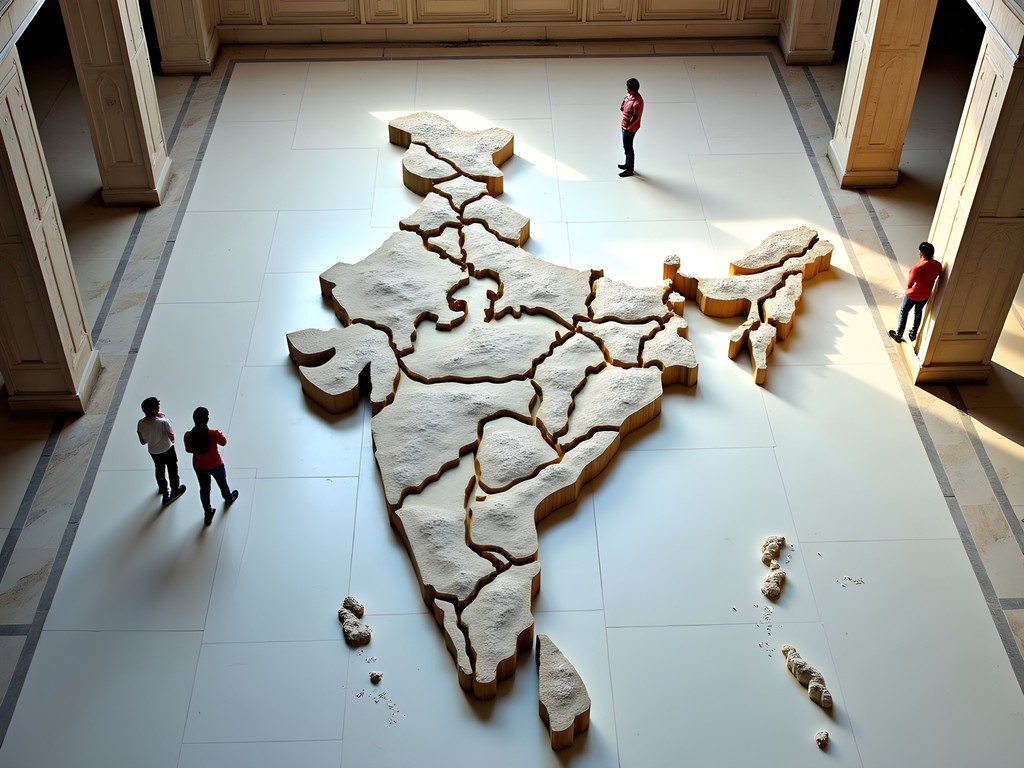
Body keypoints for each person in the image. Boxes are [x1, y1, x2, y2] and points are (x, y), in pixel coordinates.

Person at [184, 406, 238, 526]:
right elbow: (224, 442)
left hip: (199, 466)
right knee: (222, 482)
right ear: (207, 419)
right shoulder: (213, 434)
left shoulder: (188, 435)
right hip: (216, 465)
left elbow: (188, 449)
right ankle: (228, 498)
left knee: (204, 489)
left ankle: (207, 512)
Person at [888, 242, 942, 344]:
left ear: (921, 254)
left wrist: (906, 291)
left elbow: (909, 285)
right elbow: (938, 274)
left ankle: (898, 335)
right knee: (918, 311)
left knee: (904, 312)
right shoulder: (937, 265)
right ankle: (913, 333)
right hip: (925, 295)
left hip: (912, 295)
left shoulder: (916, 269)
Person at [136, 397, 185, 506]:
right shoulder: (163, 422)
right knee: (172, 469)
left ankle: (163, 489)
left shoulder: (140, 423)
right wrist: (163, 418)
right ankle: (175, 488)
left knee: (159, 469)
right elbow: (172, 438)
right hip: (167, 449)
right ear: (156, 409)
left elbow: (143, 441)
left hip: (153, 451)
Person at [618, 77, 644, 178]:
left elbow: (636, 117)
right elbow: (623, 106)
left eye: (628, 88)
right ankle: (627, 164)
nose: (626, 89)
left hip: (629, 128)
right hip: (624, 125)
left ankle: (630, 169)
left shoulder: (637, 102)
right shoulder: (630, 96)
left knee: (628, 148)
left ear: (633, 89)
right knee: (625, 146)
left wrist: (628, 127)